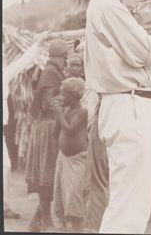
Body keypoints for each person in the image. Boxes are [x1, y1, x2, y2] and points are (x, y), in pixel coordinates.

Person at [70, 0, 151, 234]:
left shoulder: (106, 7)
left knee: (129, 201)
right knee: (129, 205)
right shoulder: (107, 7)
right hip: (129, 105)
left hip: (128, 104)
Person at [3, 31, 49, 220]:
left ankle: (4, 206)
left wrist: (38, 43)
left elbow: (23, 62)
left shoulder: (4, 74)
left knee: (5, 166)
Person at [25, 39, 68, 232]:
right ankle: (46, 219)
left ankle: (36, 220)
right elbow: (46, 103)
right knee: (47, 174)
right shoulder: (51, 72)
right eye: (64, 58)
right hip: (48, 127)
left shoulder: (52, 71)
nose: (65, 61)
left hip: (49, 125)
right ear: (57, 57)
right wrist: (69, 97)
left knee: (48, 174)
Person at [53, 77, 88, 232]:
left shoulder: (82, 111)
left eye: (64, 94)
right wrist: (58, 114)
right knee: (62, 195)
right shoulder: (66, 110)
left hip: (77, 159)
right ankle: (69, 227)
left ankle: (78, 229)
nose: (61, 97)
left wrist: (60, 113)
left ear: (74, 96)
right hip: (64, 158)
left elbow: (70, 130)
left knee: (74, 196)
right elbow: (55, 133)